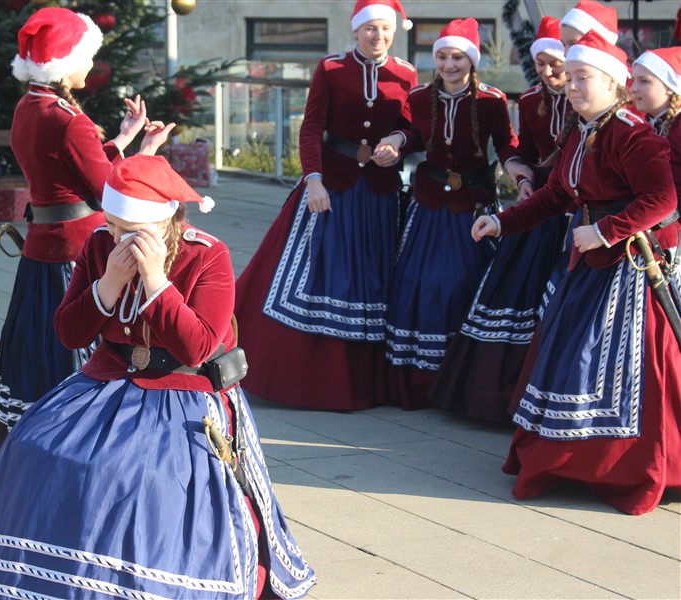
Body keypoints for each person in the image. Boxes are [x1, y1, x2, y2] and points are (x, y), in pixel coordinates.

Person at [0, 154, 316, 599]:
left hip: (184, 389)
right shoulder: (99, 245)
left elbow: (197, 347)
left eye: (129, 229)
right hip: (109, 378)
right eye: (111, 223)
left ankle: (133, 580)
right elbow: (69, 333)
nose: (117, 237)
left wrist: (155, 281)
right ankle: (53, 574)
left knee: (133, 474)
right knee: (31, 445)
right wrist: (108, 283)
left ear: (165, 221)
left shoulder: (206, 254)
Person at [0, 7, 163, 504]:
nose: (90, 67)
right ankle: (73, 461)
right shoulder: (69, 120)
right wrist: (147, 153)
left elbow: (70, 168)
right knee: (79, 356)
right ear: (65, 62)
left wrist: (122, 138)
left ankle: (20, 454)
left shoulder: (30, 106)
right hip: (76, 254)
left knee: (34, 354)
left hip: (39, 252)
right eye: (86, 57)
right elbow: (107, 192)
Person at [472, 31, 681, 515]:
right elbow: (556, 195)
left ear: (612, 83)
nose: (571, 86)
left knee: (615, 368)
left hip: (631, 267)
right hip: (590, 261)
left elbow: (663, 199)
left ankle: (618, 466)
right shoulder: (582, 131)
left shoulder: (632, 133)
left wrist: (605, 231)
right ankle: (564, 461)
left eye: (582, 77)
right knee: (570, 354)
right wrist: (502, 222)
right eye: (570, 78)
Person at [234, 0, 417, 410]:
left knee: (371, 283)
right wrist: (313, 179)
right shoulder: (331, 68)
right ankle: (314, 381)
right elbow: (312, 127)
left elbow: (411, 126)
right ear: (356, 30)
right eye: (370, 28)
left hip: (379, 194)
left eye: (386, 29)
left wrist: (398, 141)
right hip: (333, 187)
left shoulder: (406, 73)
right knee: (324, 276)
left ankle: (365, 384)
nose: (378, 36)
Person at [377, 18, 531, 410]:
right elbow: (412, 133)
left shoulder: (492, 100)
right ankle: (415, 384)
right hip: (429, 206)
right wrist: (396, 141)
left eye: (457, 57)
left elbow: (507, 144)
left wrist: (518, 171)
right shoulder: (420, 96)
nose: (449, 64)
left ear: (472, 60)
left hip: (471, 208)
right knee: (413, 281)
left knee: (461, 283)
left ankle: (458, 383)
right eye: (442, 56)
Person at [431, 16, 572, 422]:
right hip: (539, 209)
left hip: (574, 212)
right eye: (541, 64)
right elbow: (523, 149)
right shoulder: (529, 100)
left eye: (556, 64)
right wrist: (523, 177)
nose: (548, 72)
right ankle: (497, 396)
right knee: (514, 294)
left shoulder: (585, 100)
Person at [631, 47, 681, 198]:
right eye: (634, 80)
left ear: (670, 87)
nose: (633, 89)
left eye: (644, 81)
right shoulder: (640, 125)